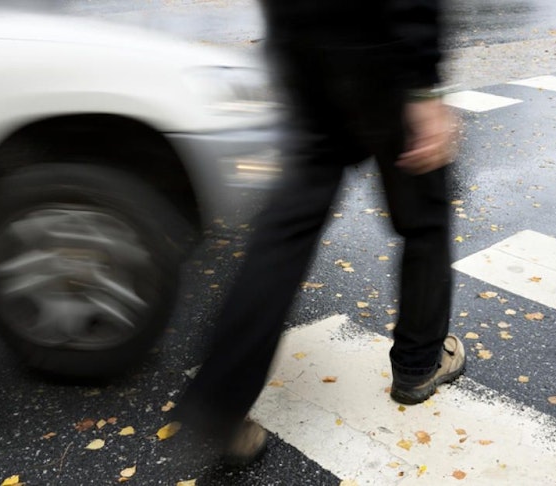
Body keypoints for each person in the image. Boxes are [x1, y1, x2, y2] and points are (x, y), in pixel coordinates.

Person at [175, 0, 464, 465]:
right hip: (381, 47)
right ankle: (418, 364)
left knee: (286, 231)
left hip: (303, 45)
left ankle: (220, 403)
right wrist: (424, 87)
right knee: (425, 217)